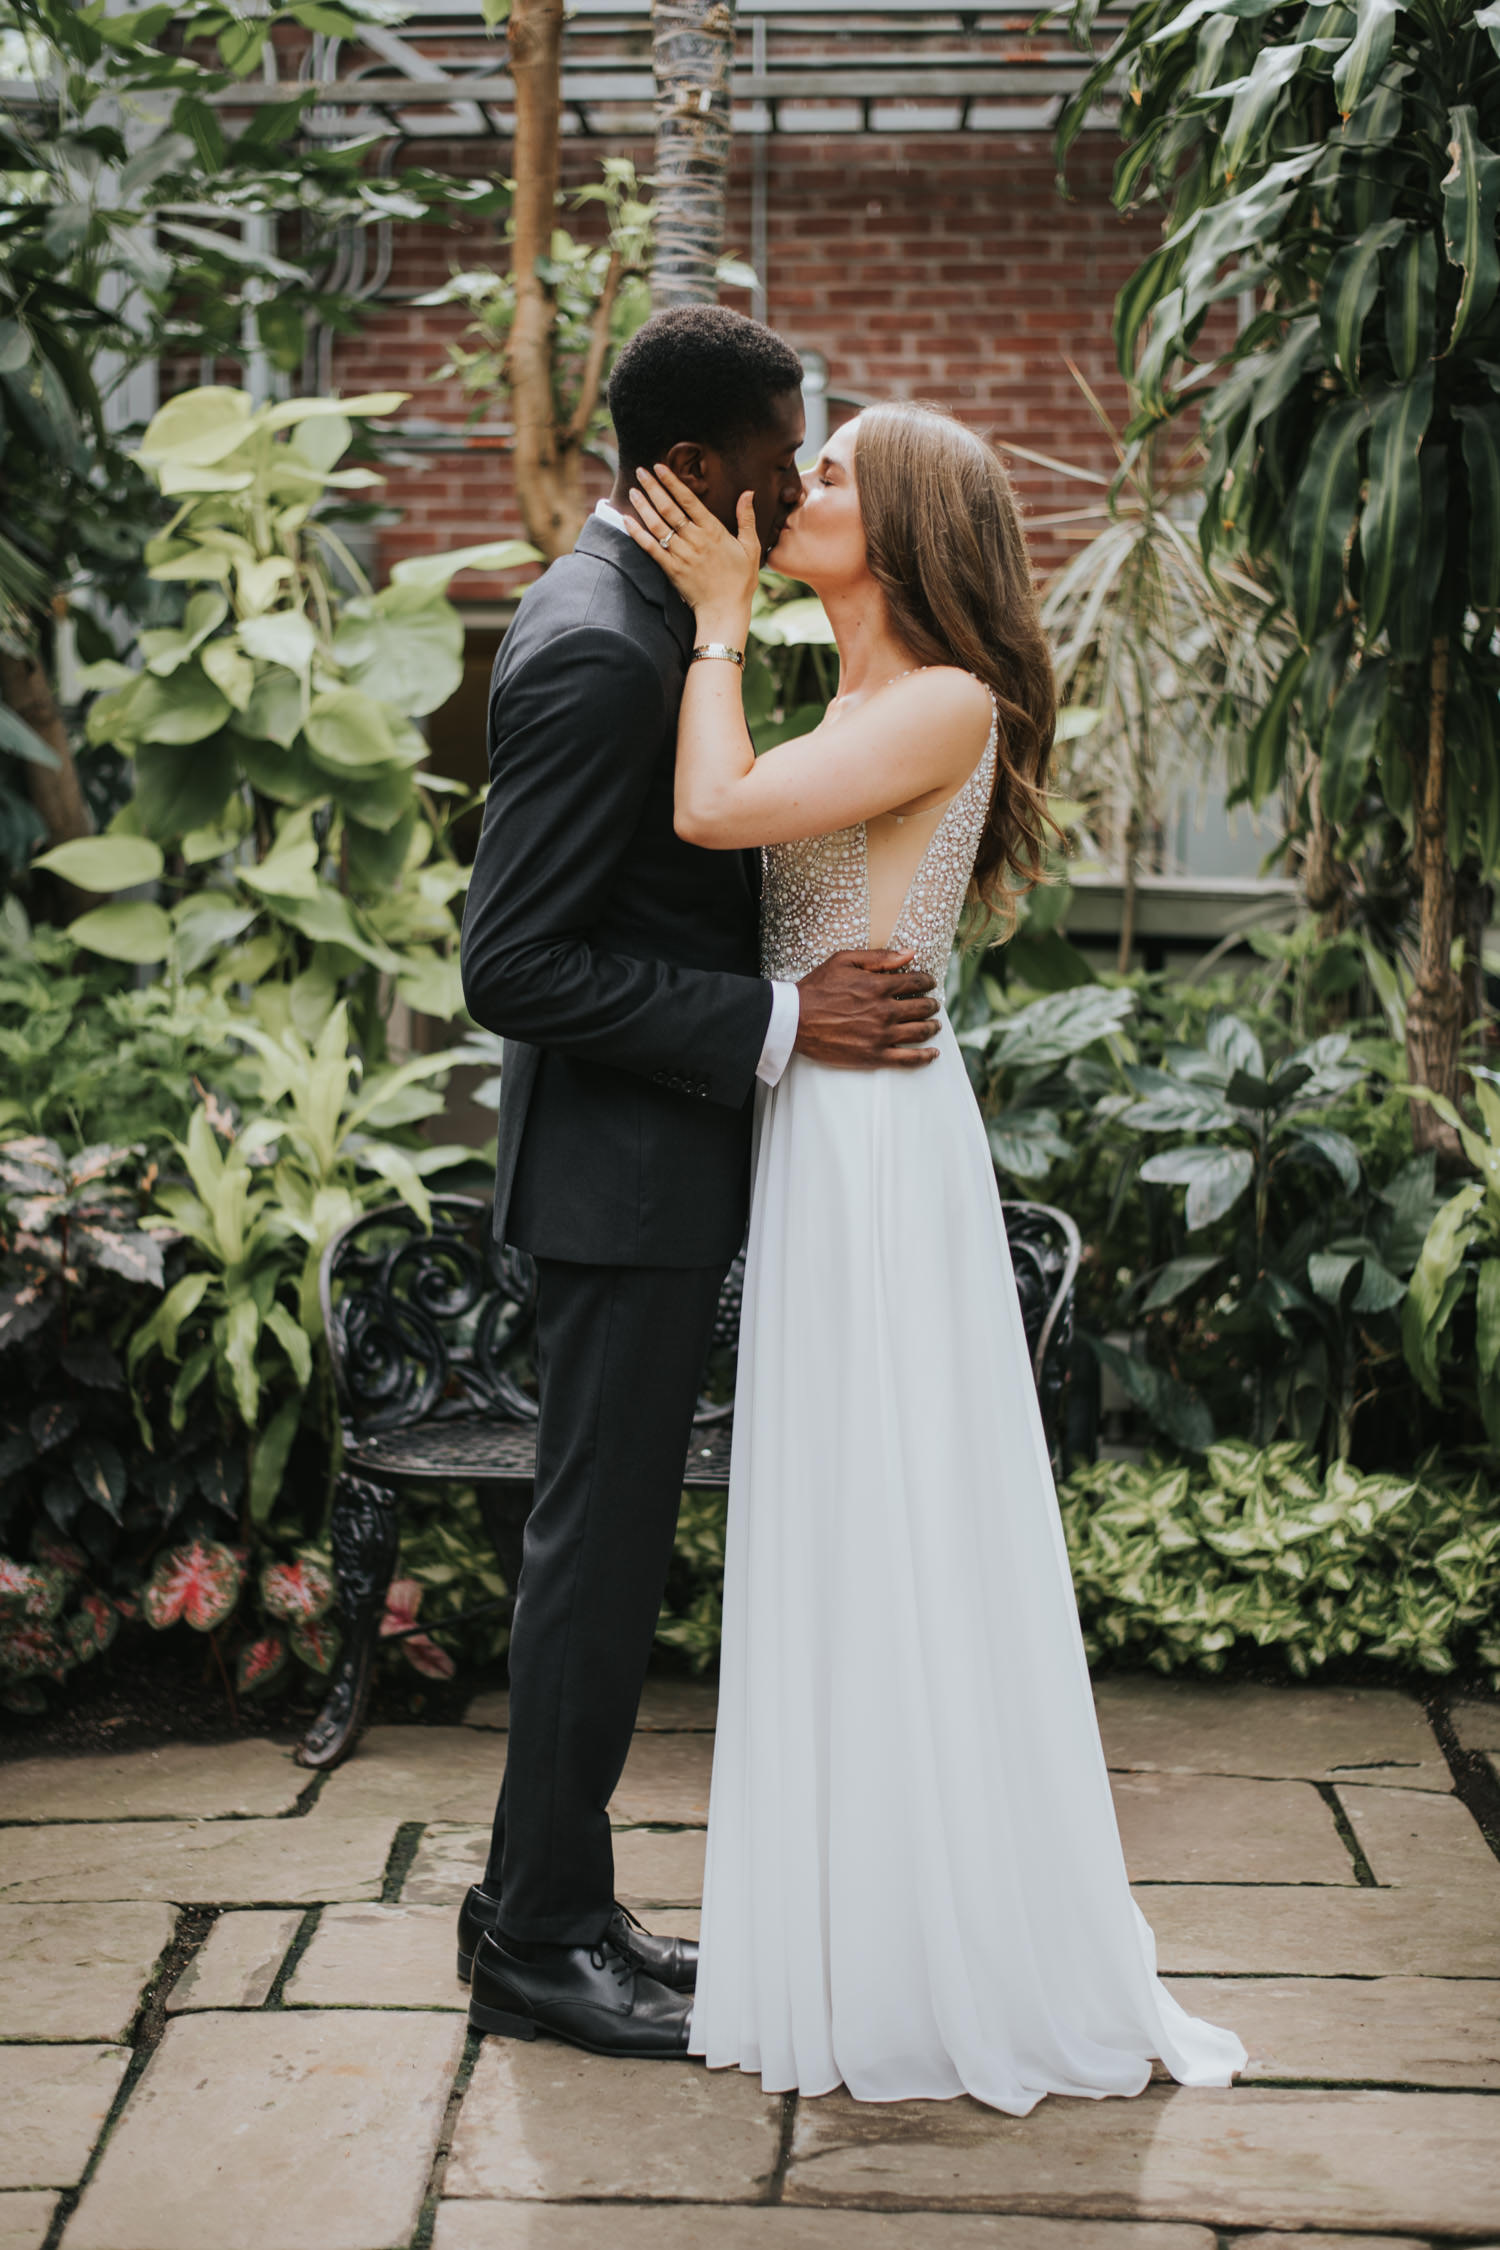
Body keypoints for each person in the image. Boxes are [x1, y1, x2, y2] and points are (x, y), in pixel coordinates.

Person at [619, 402, 1247, 2111]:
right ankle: (854, 1935)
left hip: (877, 1147)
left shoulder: (941, 701)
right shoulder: (866, 696)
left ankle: (932, 1955)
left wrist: (722, 624)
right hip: (826, 1123)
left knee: (890, 1514)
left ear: (896, 527)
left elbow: (712, 806)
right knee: (836, 1520)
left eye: (826, 474)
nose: (790, 487)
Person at [457, 307, 944, 2061]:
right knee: (593, 1560)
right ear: (696, 472)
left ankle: (559, 1894)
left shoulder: (662, 618)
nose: (799, 477)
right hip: (621, 1186)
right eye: (782, 452)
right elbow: (510, 963)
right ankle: (534, 1935)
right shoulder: (603, 644)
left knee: (606, 1549)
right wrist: (776, 1017)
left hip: (653, 1174)